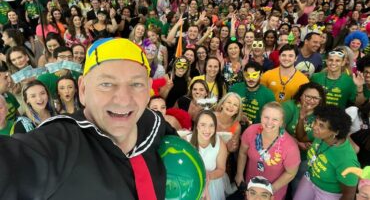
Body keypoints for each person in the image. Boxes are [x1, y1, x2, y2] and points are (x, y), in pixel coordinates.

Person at [0, 38, 177, 199]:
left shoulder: (152, 122)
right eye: (106, 84)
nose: (124, 99)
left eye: (136, 84)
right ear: (83, 90)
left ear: (148, 91)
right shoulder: (61, 142)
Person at [235, 102, 301, 200]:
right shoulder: (251, 131)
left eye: (275, 119)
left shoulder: (290, 147)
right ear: (261, 117)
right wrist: (239, 173)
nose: (269, 122)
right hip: (251, 187)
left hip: (274, 191)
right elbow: (242, 153)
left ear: (281, 122)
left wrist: (270, 189)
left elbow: (291, 173)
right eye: (266, 117)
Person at [294, 105, 360, 200]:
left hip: (329, 192)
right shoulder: (320, 135)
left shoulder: (346, 160)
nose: (314, 127)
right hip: (310, 178)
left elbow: (348, 195)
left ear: (336, 132)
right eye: (315, 121)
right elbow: (301, 137)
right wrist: (301, 119)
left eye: (321, 125)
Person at [189, 110, 228, 200]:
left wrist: (207, 177)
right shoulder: (186, 142)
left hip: (212, 185)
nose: (207, 130)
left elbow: (221, 169)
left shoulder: (220, 144)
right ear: (197, 126)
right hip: (191, 184)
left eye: (211, 125)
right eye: (203, 125)